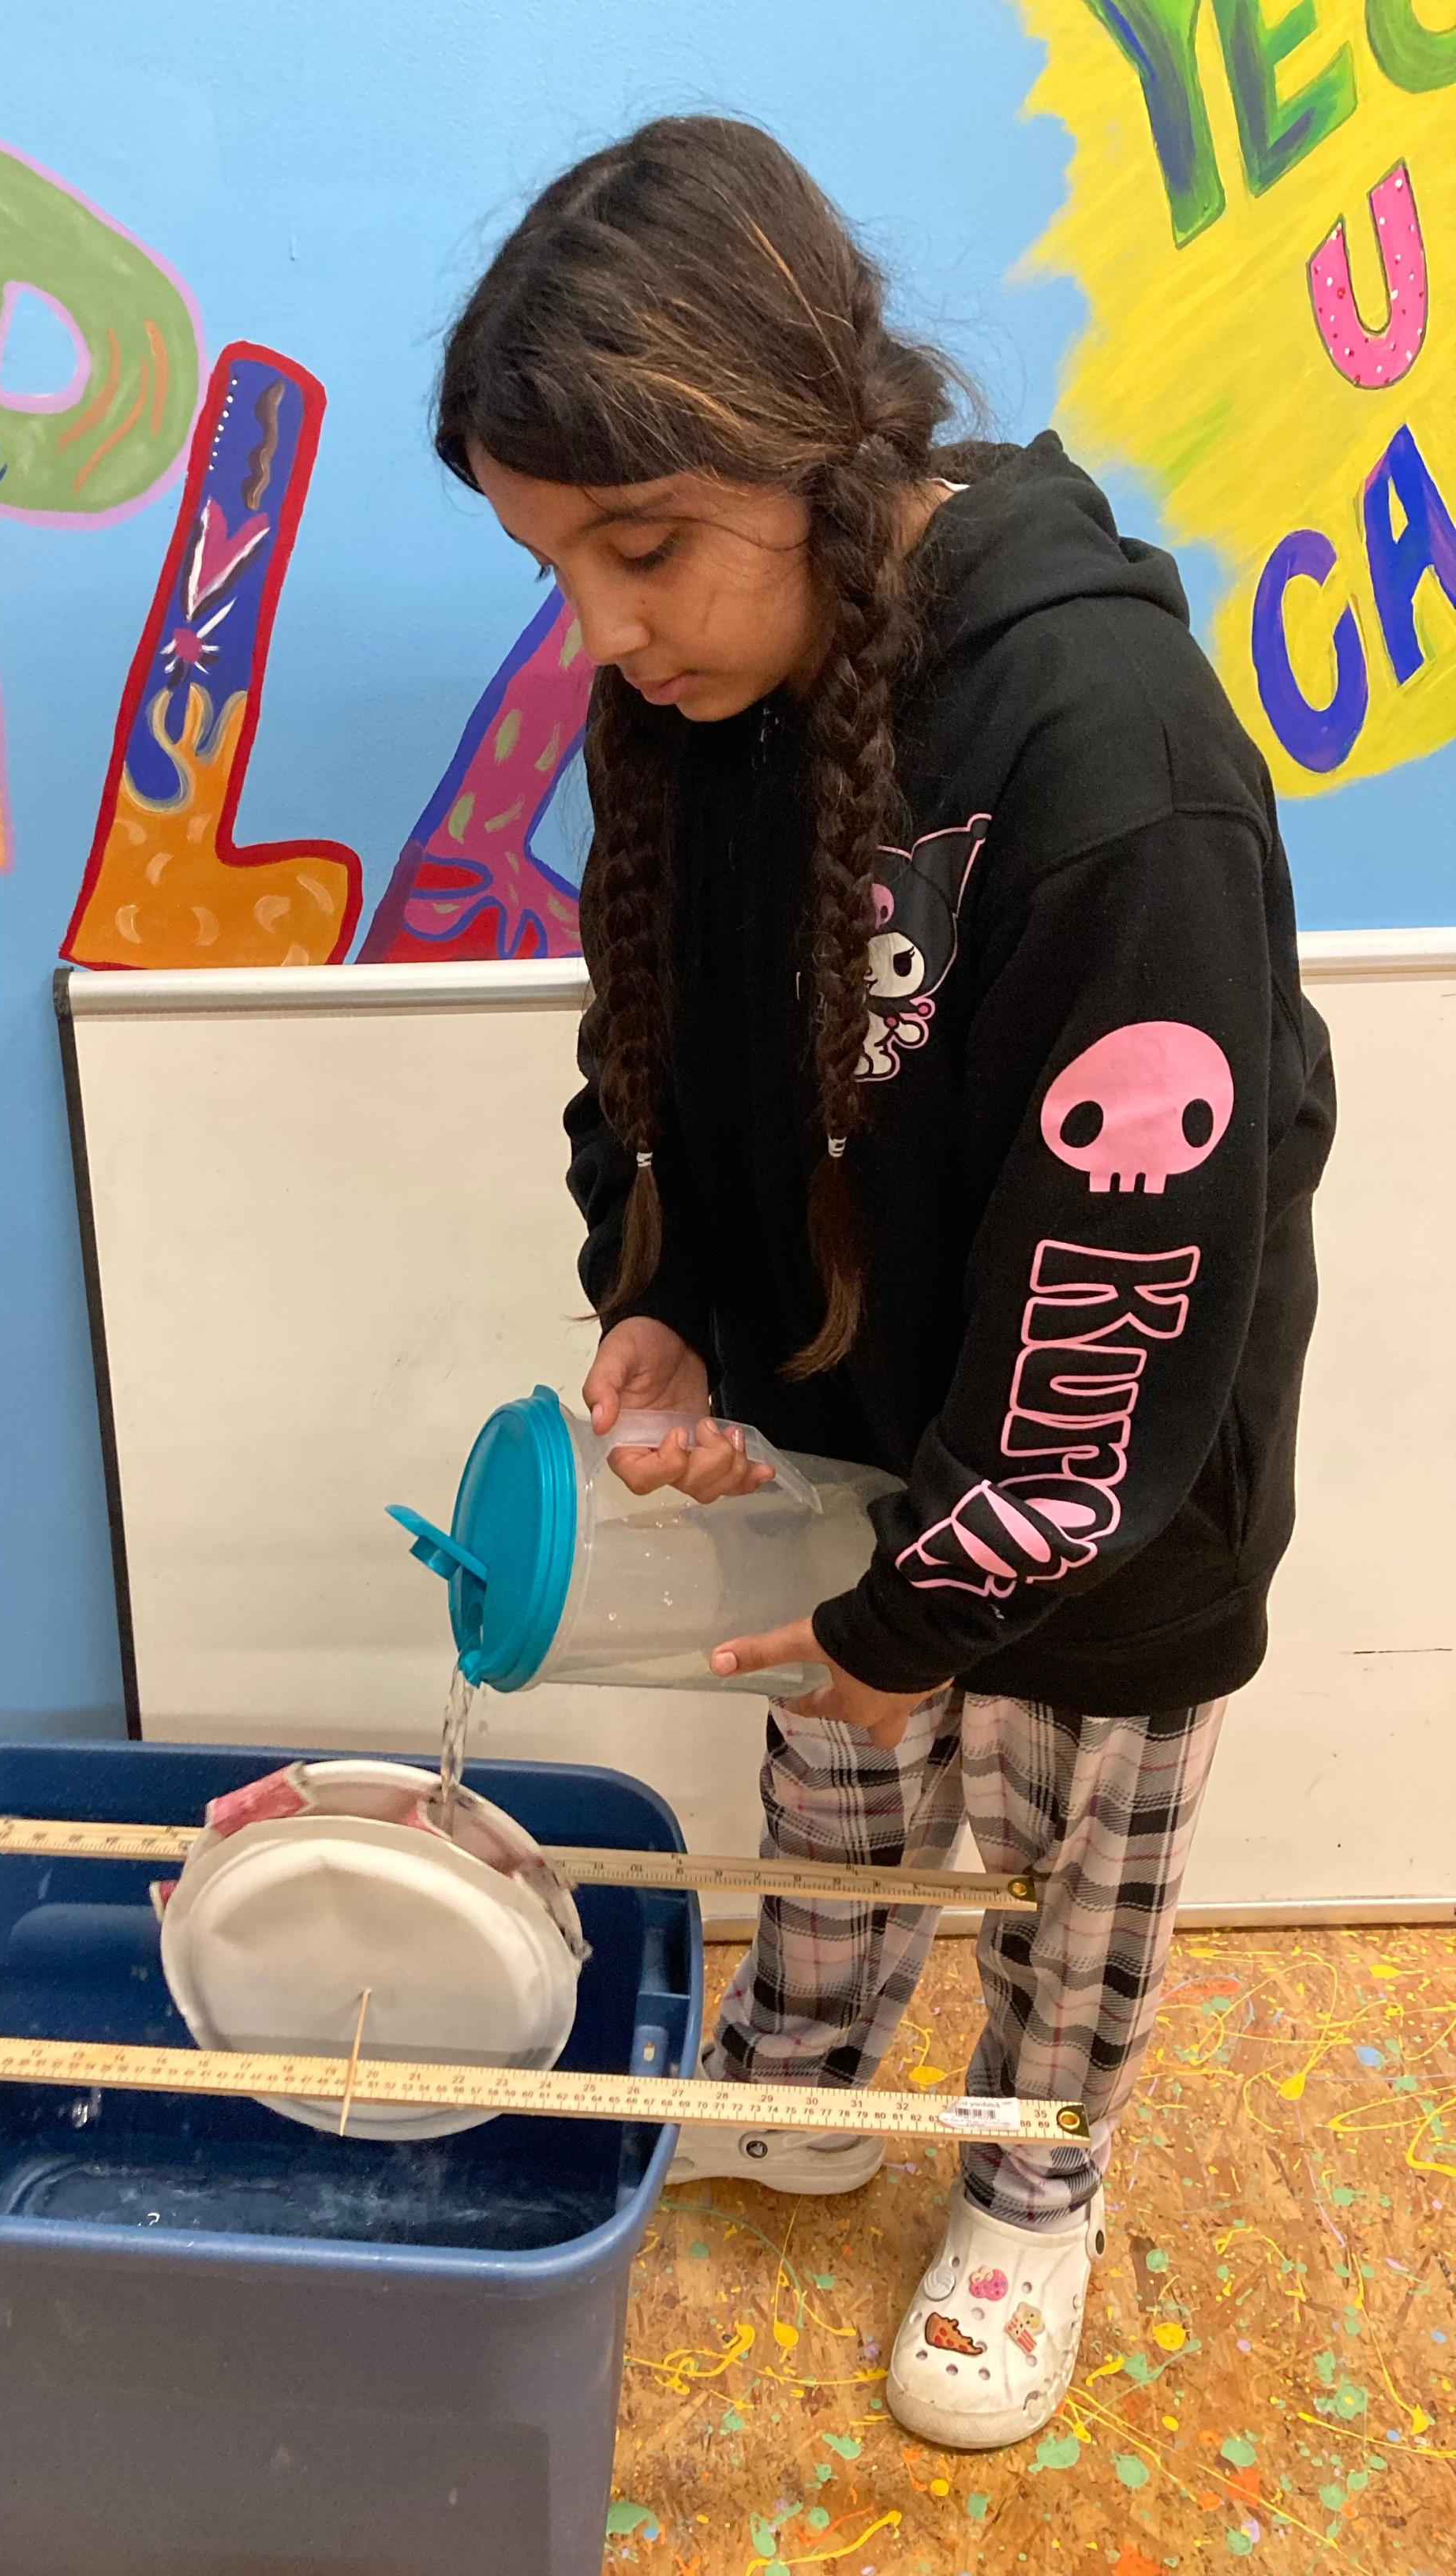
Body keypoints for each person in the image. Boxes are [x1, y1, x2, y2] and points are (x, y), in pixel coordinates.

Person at [434, 114, 1334, 2454]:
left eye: (642, 549)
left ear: (812, 451)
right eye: (557, 566)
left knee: (1070, 1857)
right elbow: (649, 1022)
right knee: (832, 1794)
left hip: (1097, 1484)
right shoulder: (707, 685)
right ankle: (813, 2077)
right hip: (849, 1411)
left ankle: (1034, 2185)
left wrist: (923, 1605)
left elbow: (1125, 1290)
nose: (603, 628)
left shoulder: (1104, 753)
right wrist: (650, 1284)